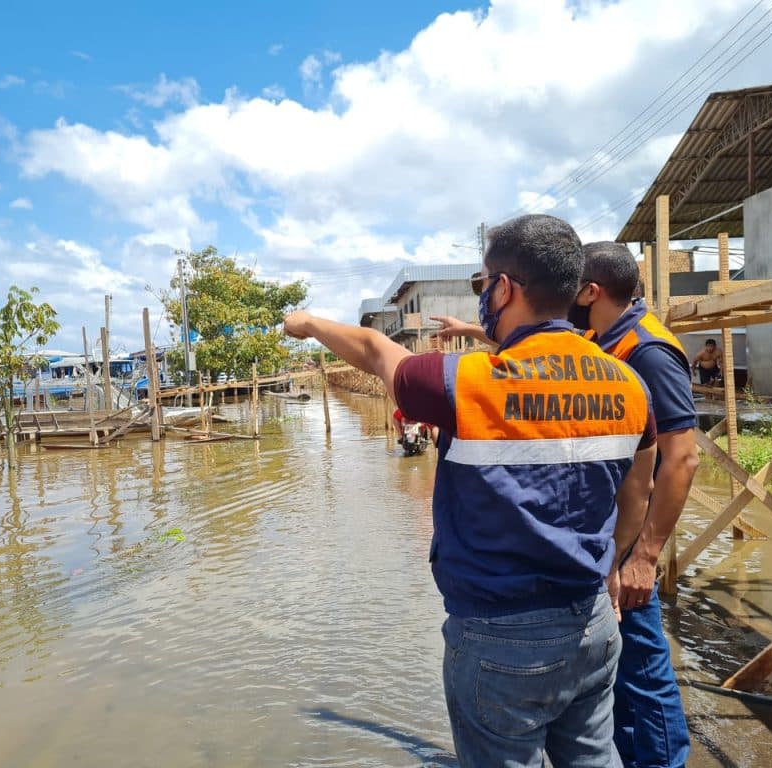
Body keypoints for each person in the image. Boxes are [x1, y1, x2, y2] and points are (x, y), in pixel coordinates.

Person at [285, 214, 657, 767]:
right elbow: (638, 493)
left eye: (483, 284)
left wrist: (308, 323)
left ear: (505, 288)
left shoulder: (463, 381)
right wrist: (611, 569)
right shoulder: (630, 385)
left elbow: (370, 346)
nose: (483, 295)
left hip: (500, 640)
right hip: (595, 627)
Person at [568, 241, 698, 768]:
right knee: (618, 667)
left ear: (591, 291)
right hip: (613, 535)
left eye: (571, 286)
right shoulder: (606, 337)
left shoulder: (648, 351)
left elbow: (683, 460)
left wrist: (644, 556)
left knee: (644, 671)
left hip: (630, 543)